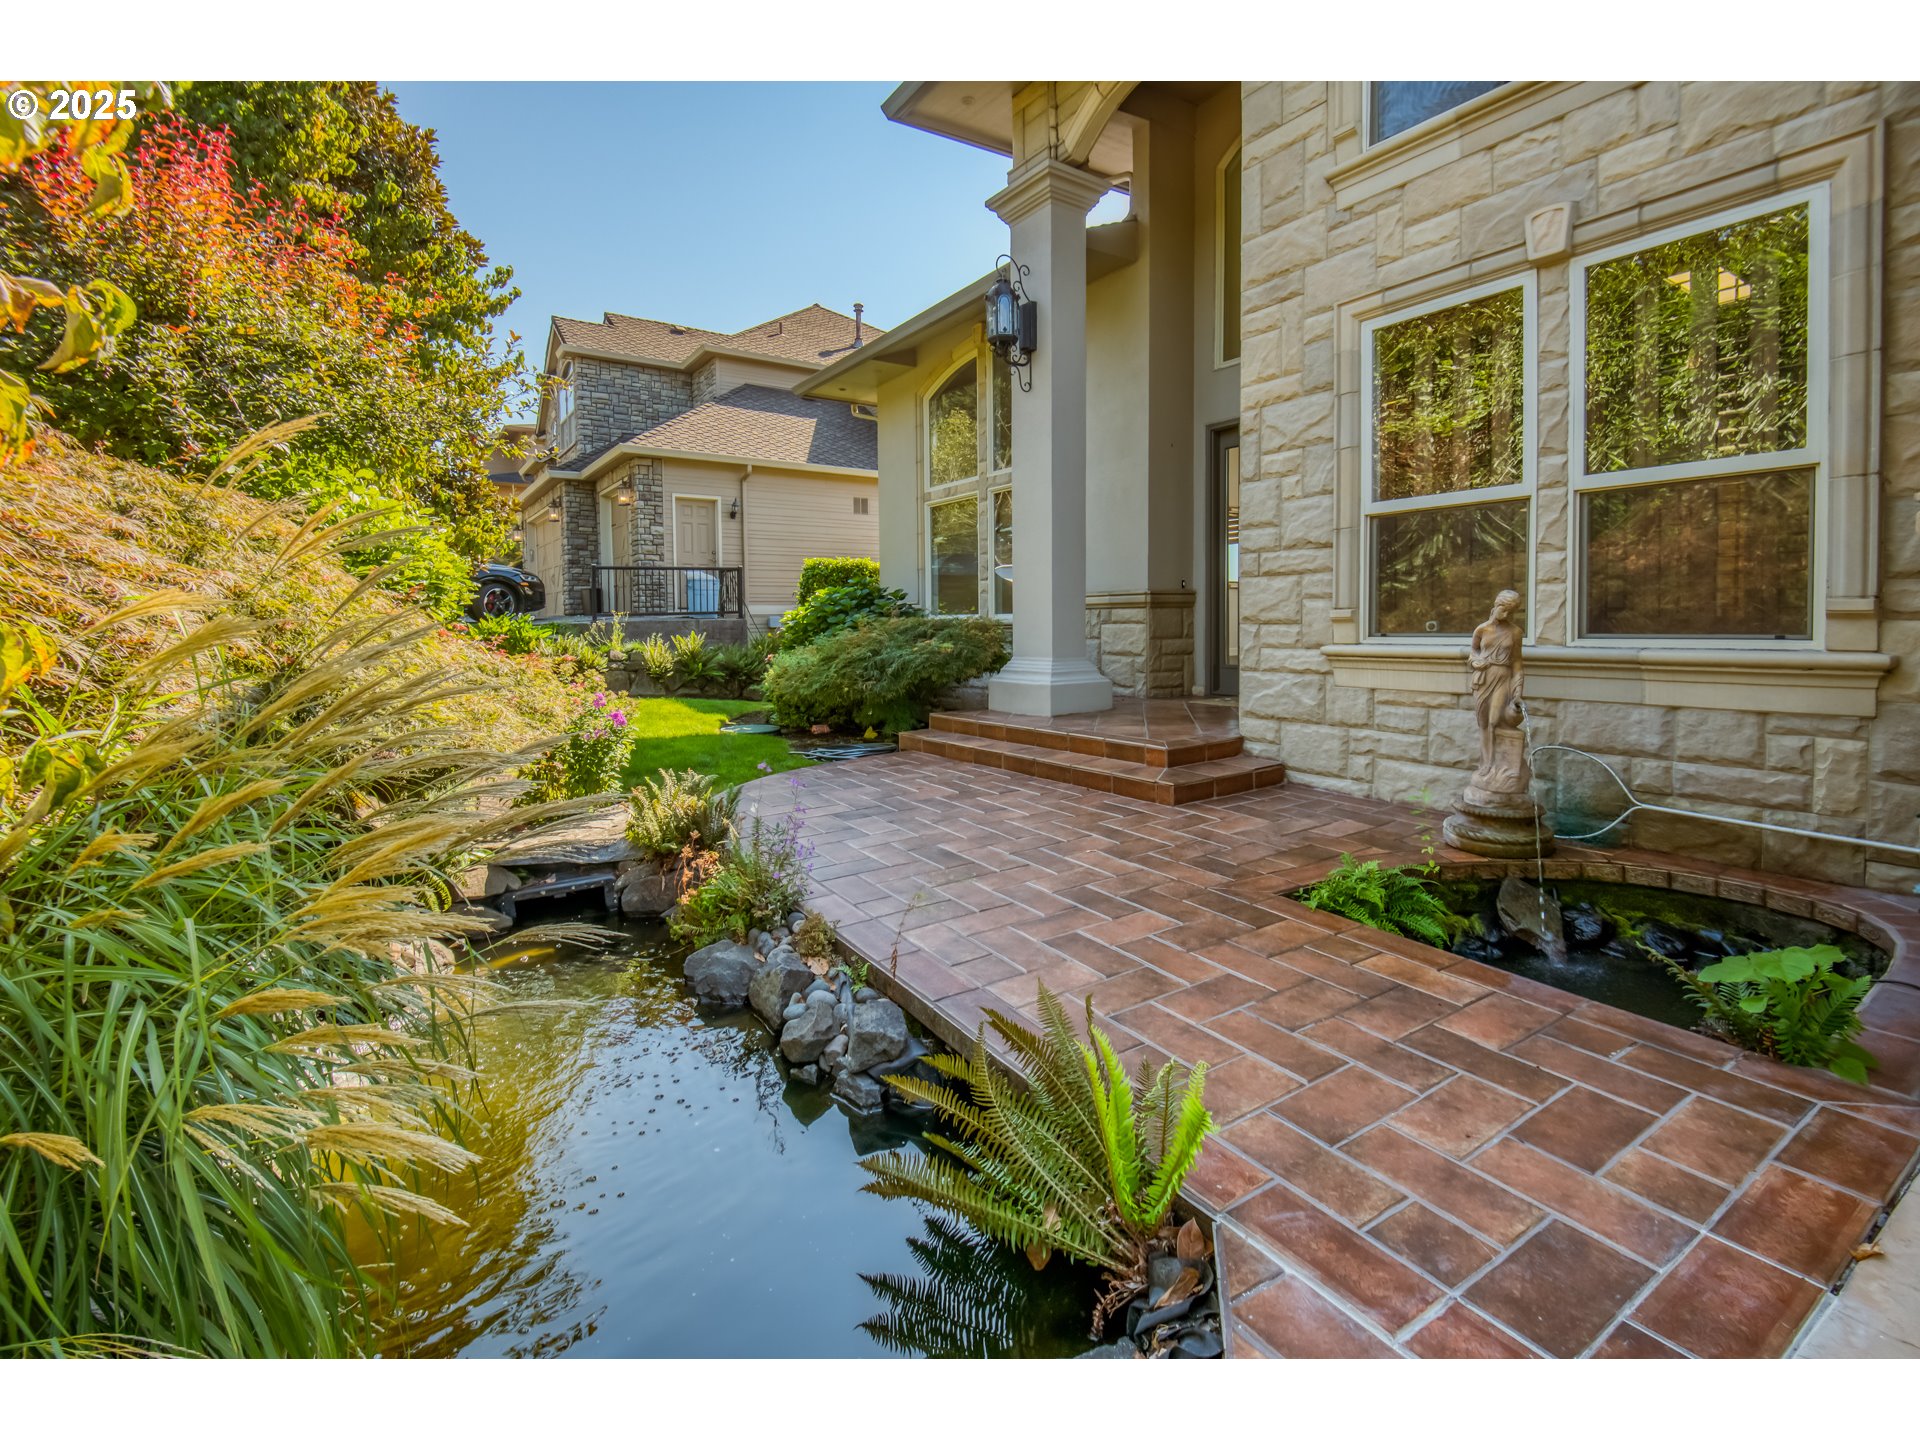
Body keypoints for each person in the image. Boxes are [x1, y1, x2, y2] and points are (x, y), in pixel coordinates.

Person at [1468, 589, 1524, 788]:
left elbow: (1517, 663)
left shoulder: (1515, 632)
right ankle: (1485, 763)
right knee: (1483, 722)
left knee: (1494, 722)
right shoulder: (1482, 629)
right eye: (1504, 609)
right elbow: (1473, 651)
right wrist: (1475, 662)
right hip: (1483, 680)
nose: (1507, 614)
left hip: (1502, 678)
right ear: (1496, 605)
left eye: (1512, 611)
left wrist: (1518, 692)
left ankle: (1494, 765)